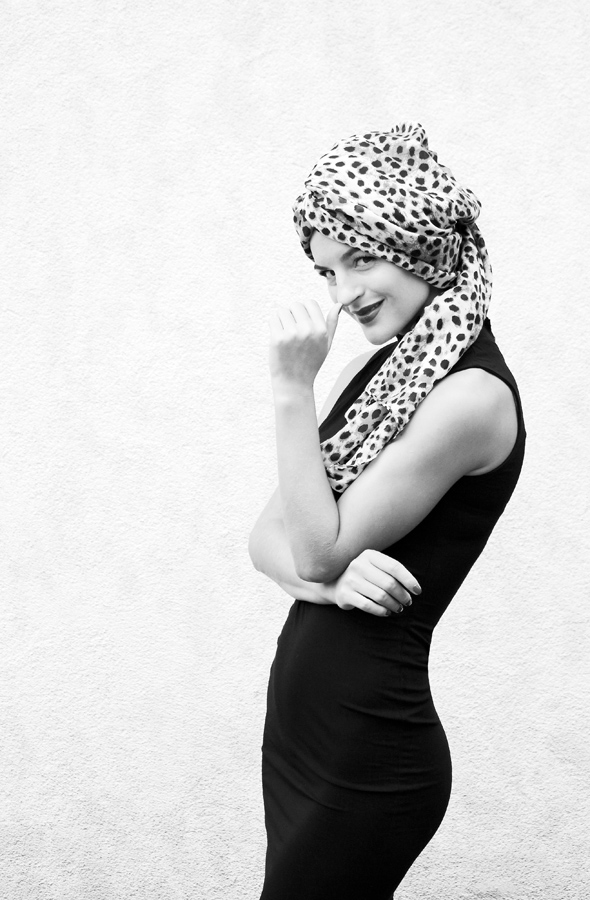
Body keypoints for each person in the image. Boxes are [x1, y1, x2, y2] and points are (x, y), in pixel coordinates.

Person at [248, 123, 526, 900]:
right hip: (307, 739)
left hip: (368, 753)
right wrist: (333, 585)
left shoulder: (472, 397)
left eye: (361, 258)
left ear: (419, 245)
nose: (343, 293)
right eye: (326, 270)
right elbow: (266, 538)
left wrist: (291, 389)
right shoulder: (379, 376)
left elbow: (311, 547)